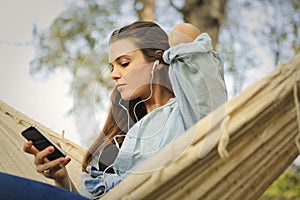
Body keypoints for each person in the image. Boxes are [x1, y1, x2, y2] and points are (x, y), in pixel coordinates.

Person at [23, 21, 227, 199]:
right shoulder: (116, 135)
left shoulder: (189, 114)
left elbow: (185, 32)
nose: (114, 74)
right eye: (112, 66)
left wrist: (168, 56)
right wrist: (61, 178)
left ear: (157, 61)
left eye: (124, 63)